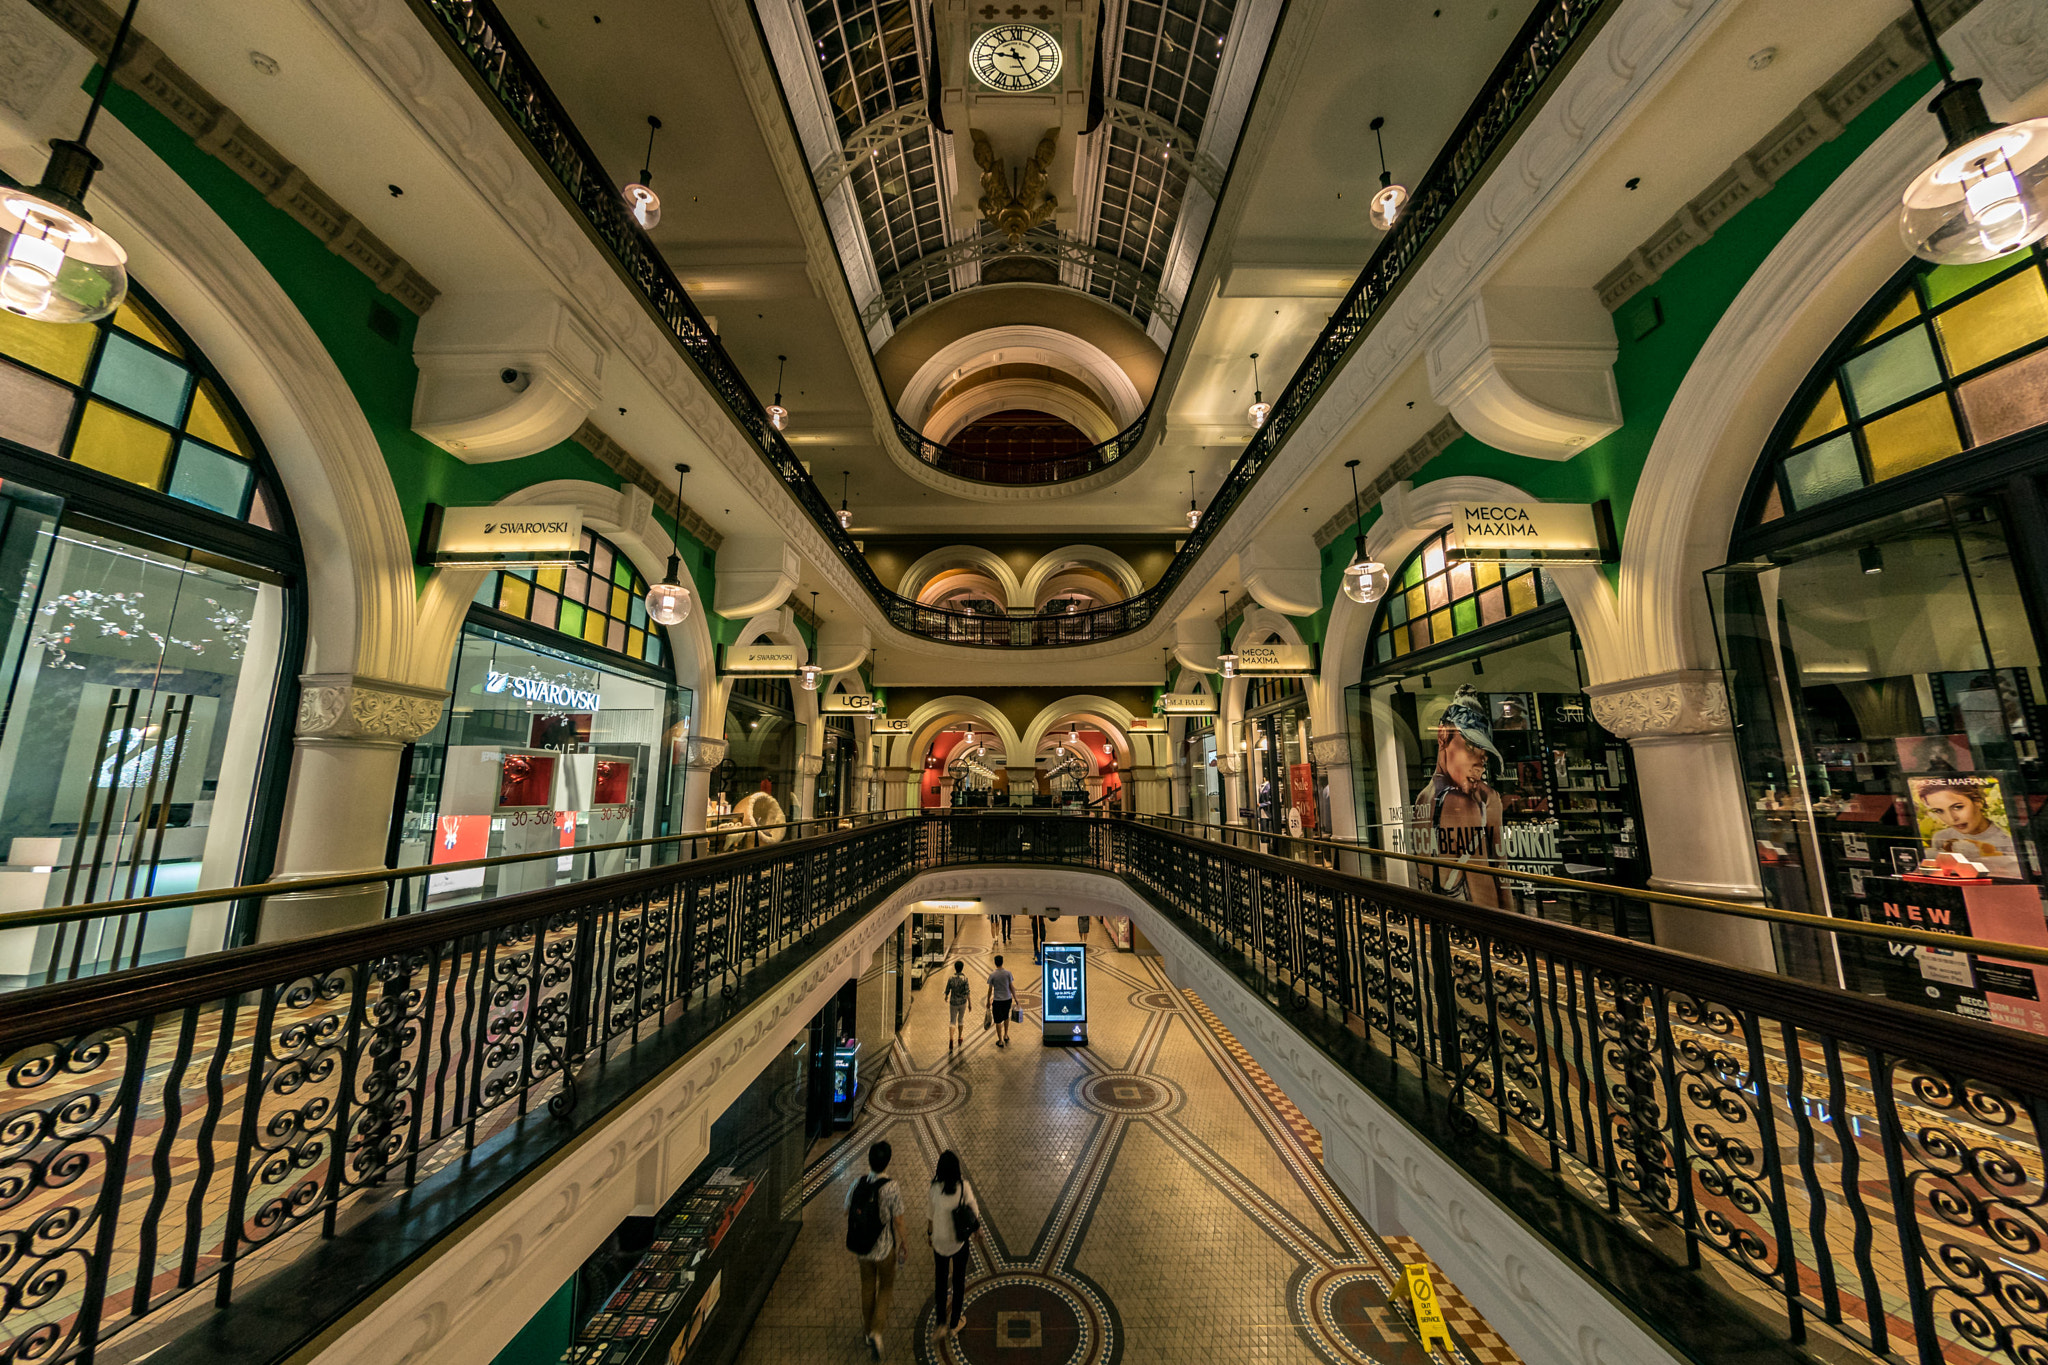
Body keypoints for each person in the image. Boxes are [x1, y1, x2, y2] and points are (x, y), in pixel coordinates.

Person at [1412, 684, 1506, 907]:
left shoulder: (1422, 799)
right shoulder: (1464, 806)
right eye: (1471, 747)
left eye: (1484, 756)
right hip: (1473, 938)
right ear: (1443, 735)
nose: (1480, 766)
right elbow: (1490, 904)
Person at [845, 1141, 906, 1359]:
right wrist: (905, 1242)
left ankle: (866, 1331)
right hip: (884, 1249)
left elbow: (847, 1211)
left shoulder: (858, 1183)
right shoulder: (891, 1187)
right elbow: (898, 1220)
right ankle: (877, 1332)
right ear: (887, 1161)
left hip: (863, 1250)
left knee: (867, 1288)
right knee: (886, 1288)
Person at [928, 1150, 979, 1342]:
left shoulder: (934, 1189)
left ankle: (940, 1324)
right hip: (958, 1243)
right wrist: (976, 1231)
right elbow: (975, 1211)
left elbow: (930, 1215)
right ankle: (954, 1323)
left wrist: (929, 1234)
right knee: (958, 1282)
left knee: (940, 1283)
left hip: (939, 1242)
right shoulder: (963, 1188)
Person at [985, 954, 1015, 1048]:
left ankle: (1000, 1040)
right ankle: (1006, 1035)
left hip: (997, 1000)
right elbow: (1011, 987)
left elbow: (990, 989)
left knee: (997, 1020)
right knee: (1006, 1017)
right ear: (1002, 962)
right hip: (1007, 999)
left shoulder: (993, 975)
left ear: (995, 963)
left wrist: (988, 1001)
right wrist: (1016, 998)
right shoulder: (1008, 973)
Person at [943, 960, 971, 1051]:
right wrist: (970, 1003)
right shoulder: (965, 979)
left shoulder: (951, 978)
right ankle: (959, 1037)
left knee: (952, 1021)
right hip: (962, 1002)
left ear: (955, 968)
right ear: (962, 968)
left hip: (953, 1002)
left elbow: (947, 989)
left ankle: (951, 1038)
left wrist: (946, 996)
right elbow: (967, 992)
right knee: (961, 1019)